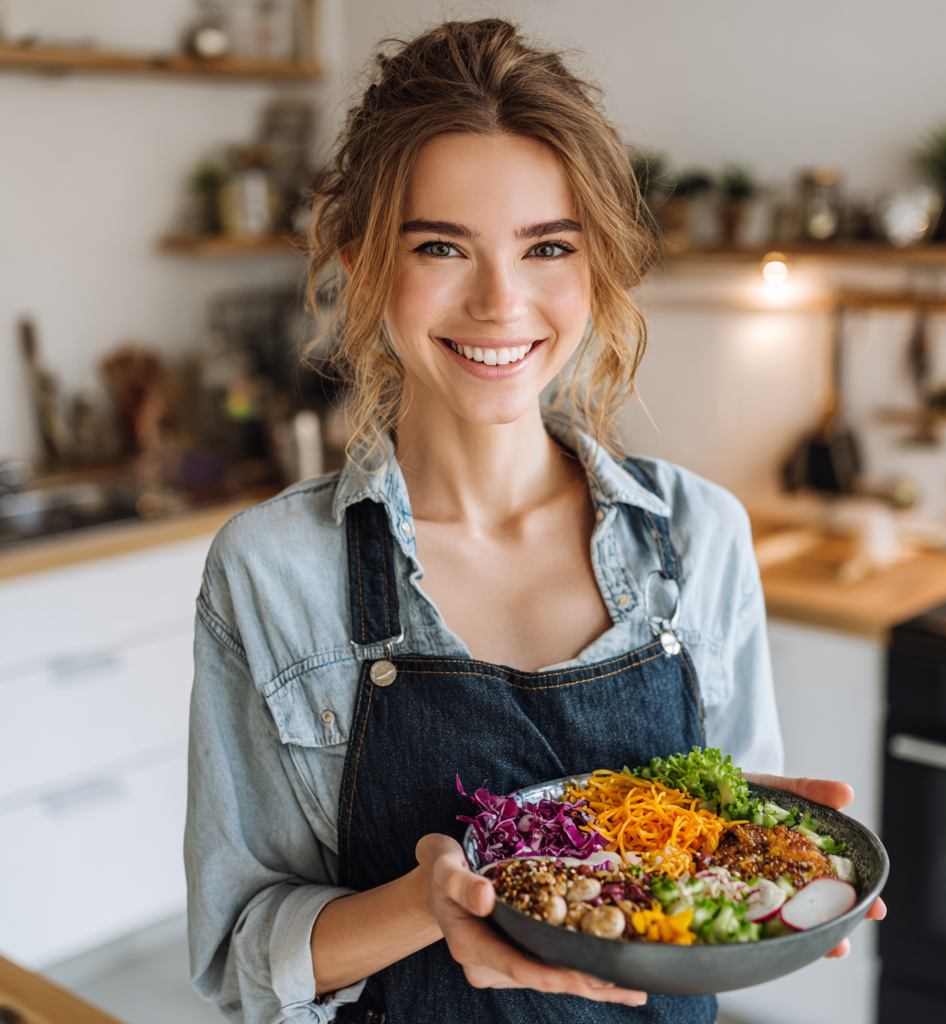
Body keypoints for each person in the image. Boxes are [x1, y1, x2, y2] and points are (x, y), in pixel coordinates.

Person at [185, 18, 884, 1024]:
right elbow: (244, 959)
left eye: (546, 246)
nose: (500, 301)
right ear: (365, 265)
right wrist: (431, 900)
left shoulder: (700, 537)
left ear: (595, 265)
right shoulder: (272, 570)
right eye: (440, 247)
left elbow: (726, 873)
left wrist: (775, 884)